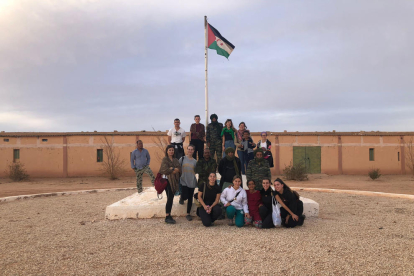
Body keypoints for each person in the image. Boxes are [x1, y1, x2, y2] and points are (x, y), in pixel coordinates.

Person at [158, 145, 181, 224]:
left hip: (174, 181)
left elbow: (179, 169)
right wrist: (173, 169)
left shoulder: (175, 160)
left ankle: (169, 215)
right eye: (170, 150)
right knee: (170, 198)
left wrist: (172, 169)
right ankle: (167, 216)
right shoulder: (165, 159)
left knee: (170, 198)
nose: (171, 151)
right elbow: (164, 169)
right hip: (167, 182)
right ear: (167, 151)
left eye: (172, 150)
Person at [178, 145, 198, 221]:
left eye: (191, 149)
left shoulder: (195, 161)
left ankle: (188, 214)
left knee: (190, 198)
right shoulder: (182, 159)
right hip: (183, 180)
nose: (190, 151)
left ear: (193, 151)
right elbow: (178, 167)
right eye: (189, 149)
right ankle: (182, 198)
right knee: (185, 195)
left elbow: (196, 171)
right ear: (187, 150)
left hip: (192, 181)